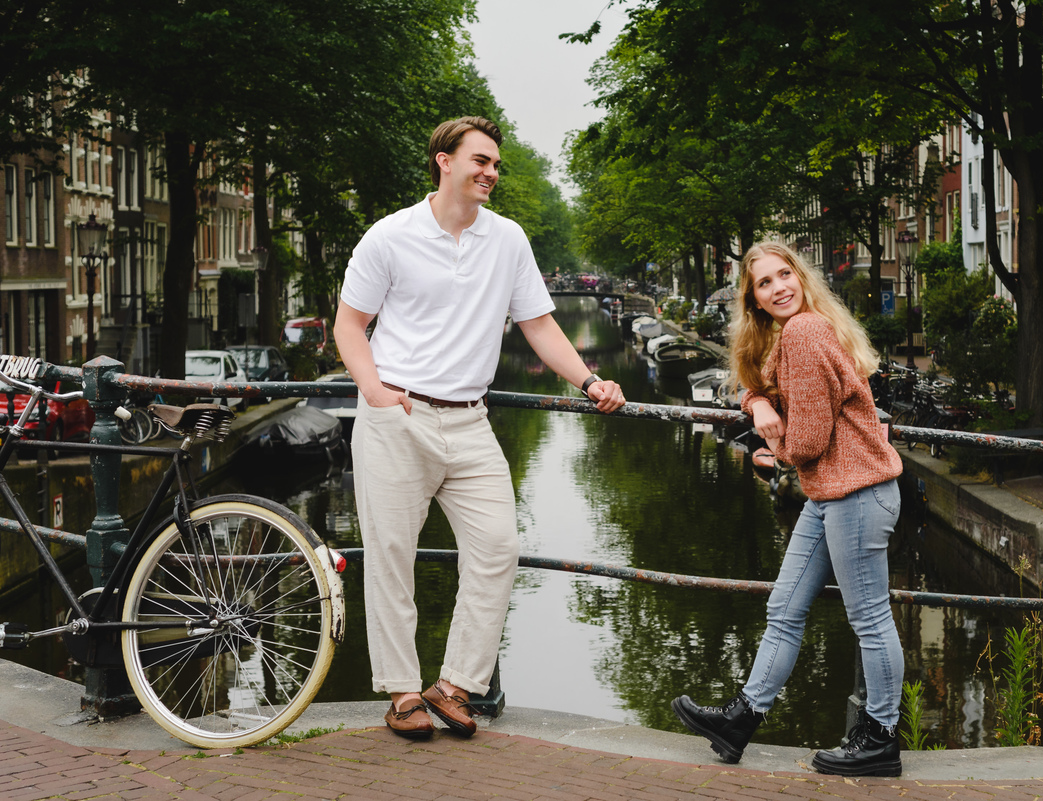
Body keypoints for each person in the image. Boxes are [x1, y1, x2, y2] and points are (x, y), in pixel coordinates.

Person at [334, 116, 625, 741]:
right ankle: (403, 692)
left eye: (497, 164)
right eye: (481, 160)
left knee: (497, 548)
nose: (491, 172)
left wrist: (590, 381)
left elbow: (539, 325)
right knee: (390, 559)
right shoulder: (389, 237)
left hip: (470, 420)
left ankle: (455, 684)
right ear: (444, 161)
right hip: (398, 417)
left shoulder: (509, 239)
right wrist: (375, 391)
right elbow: (349, 326)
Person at [671, 242, 904, 777]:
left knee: (869, 618)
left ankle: (881, 737)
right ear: (752, 298)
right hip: (831, 494)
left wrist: (773, 449)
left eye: (785, 275)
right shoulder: (801, 331)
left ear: (800, 277)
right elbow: (755, 386)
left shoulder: (803, 332)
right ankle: (741, 719)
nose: (779, 288)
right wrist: (755, 404)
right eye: (765, 283)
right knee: (785, 607)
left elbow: (809, 440)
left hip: (858, 492)